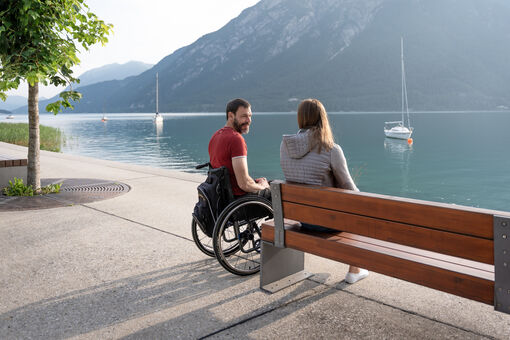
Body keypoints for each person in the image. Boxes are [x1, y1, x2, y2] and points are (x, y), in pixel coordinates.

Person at [280, 98, 369, 284]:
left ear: (300, 119)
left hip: (301, 218)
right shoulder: (331, 149)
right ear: (323, 118)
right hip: (325, 222)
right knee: (359, 209)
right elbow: (352, 191)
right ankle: (354, 269)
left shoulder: (285, 147)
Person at [209, 98, 270, 198]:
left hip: (222, 197)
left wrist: (256, 183)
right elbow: (244, 184)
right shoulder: (236, 139)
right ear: (230, 116)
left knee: (268, 183)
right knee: (278, 194)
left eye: (250, 116)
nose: (249, 120)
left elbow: (238, 176)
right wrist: (264, 187)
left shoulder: (215, 136)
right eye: (244, 116)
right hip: (239, 200)